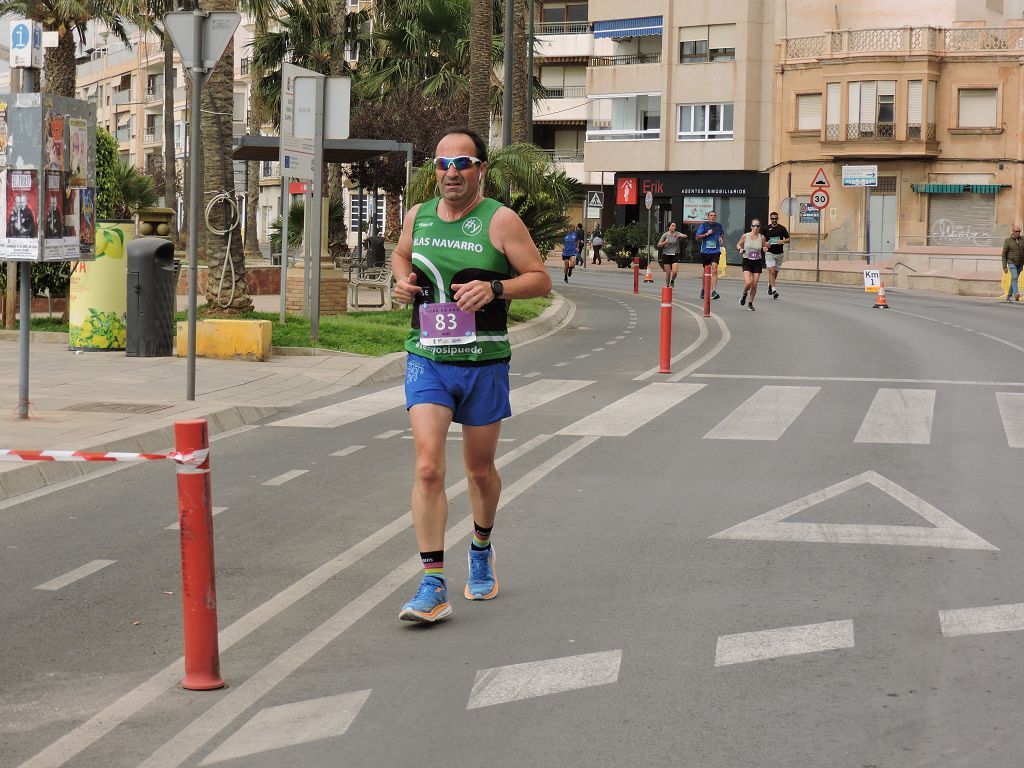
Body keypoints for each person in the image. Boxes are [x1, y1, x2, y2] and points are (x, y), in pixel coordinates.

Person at [391, 127, 552, 624]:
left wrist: (496, 288)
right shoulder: (417, 217)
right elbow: (400, 254)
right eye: (442, 164)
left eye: (462, 163)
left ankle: (481, 547)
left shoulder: (501, 221)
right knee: (427, 468)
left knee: (479, 471)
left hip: (483, 363)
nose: (452, 172)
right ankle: (432, 582)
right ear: (434, 172)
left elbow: (540, 279)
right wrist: (400, 280)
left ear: (481, 169)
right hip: (429, 359)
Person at [737, 219, 767, 311]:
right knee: (748, 283)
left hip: (757, 262)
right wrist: (740, 249)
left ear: (759, 227)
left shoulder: (762, 237)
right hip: (747, 261)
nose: (756, 227)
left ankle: (750, 303)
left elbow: (764, 246)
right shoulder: (745, 236)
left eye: (758, 226)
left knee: (754, 284)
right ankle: (744, 294)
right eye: (754, 225)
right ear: (751, 227)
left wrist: (765, 248)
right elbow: (738, 244)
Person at [694, 211, 724, 300]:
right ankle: (703, 289)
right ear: (708, 217)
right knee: (706, 271)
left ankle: (714, 291)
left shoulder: (719, 226)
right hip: (705, 252)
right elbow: (697, 237)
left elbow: (721, 233)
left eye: (714, 215)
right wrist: (706, 234)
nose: (713, 217)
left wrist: (721, 238)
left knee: (714, 270)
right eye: (711, 215)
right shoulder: (704, 225)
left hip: (715, 251)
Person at [763, 211, 790, 299]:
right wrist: (765, 244)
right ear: (770, 219)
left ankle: (770, 284)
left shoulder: (782, 228)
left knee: (776, 273)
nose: (774, 220)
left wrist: (782, 241)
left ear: (777, 219)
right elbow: (762, 240)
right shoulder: (766, 228)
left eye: (775, 218)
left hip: (779, 254)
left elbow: (789, 239)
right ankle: (774, 290)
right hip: (769, 253)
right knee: (772, 271)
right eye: (772, 219)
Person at [656, 221, 686, 287]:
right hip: (666, 255)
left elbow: (685, 236)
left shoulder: (677, 233)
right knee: (668, 273)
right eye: (672, 226)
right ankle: (667, 286)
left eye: (675, 226)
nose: (674, 227)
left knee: (675, 272)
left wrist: (680, 235)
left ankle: (672, 280)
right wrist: (665, 242)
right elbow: (658, 245)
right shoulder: (665, 235)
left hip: (675, 254)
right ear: (669, 227)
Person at [1002, 225, 1024, 302]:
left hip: (1020, 264)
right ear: (1013, 231)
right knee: (1014, 277)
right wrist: (1004, 266)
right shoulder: (1008, 240)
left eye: (1019, 231)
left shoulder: (1022, 239)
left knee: (1014, 280)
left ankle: (1008, 297)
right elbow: (1004, 254)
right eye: (1016, 231)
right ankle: (1016, 293)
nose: (1018, 233)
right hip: (1011, 262)